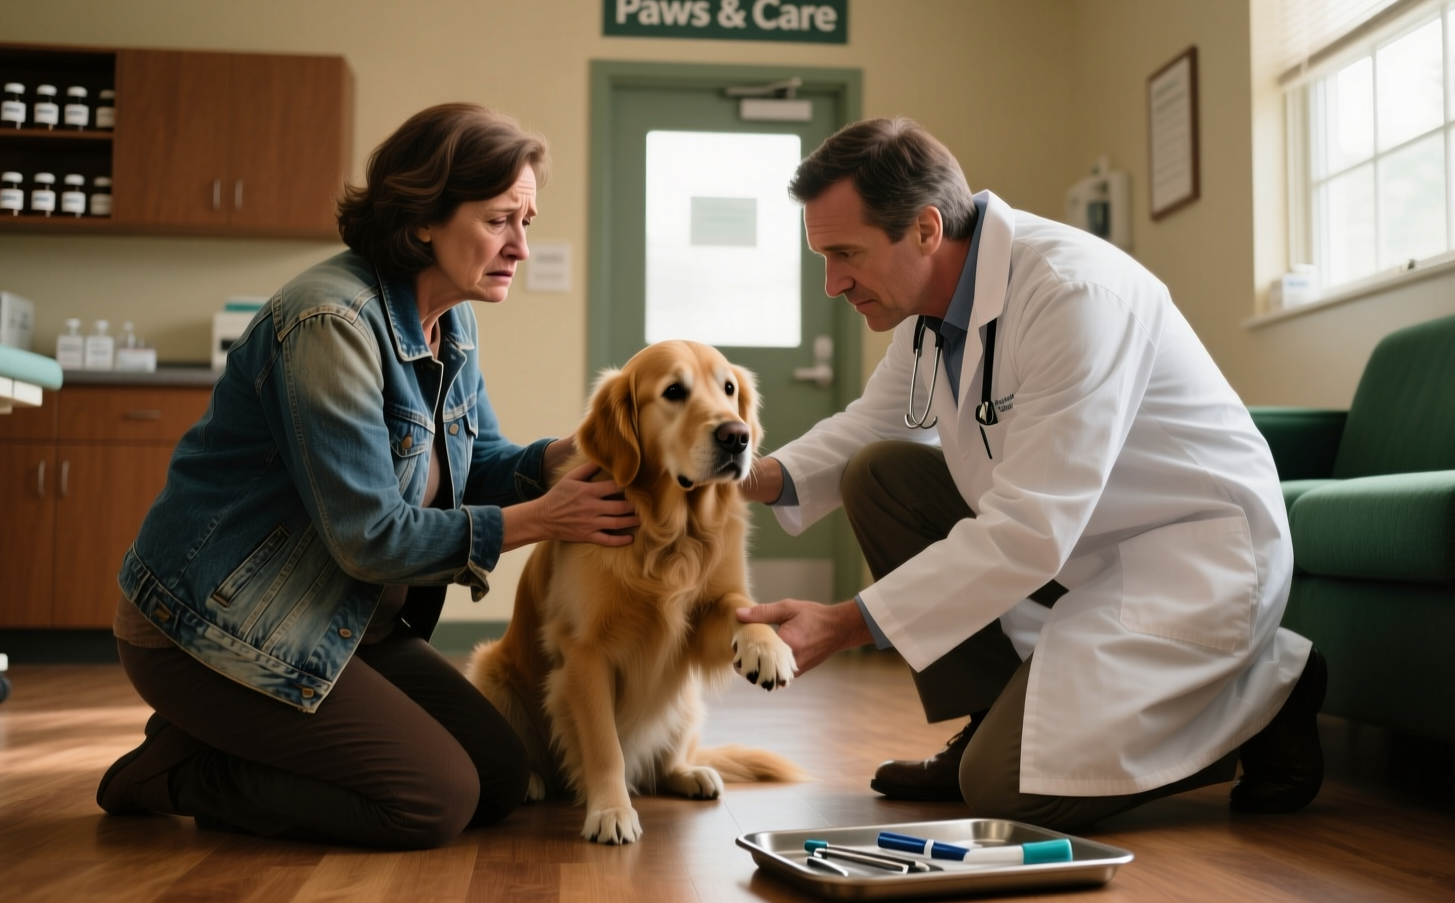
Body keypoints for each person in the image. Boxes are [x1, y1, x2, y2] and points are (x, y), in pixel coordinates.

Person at [736, 117, 1325, 831]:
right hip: (1084, 549)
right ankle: (988, 718)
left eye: (845, 254)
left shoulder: (1074, 294)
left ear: (925, 230)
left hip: (1190, 563)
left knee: (1010, 794)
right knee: (880, 474)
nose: (832, 284)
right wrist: (733, 476)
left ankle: (1264, 700)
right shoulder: (933, 308)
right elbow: (874, 425)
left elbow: (1032, 526)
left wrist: (845, 623)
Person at [95, 104, 640, 849]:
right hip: (214, 629)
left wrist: (553, 462)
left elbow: (473, 464)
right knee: (430, 801)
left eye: (528, 221)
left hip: (341, 621)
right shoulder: (330, 325)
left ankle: (220, 736)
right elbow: (370, 539)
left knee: (501, 777)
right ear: (423, 220)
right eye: (498, 220)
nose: (520, 245)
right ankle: (174, 775)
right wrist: (545, 518)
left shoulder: (450, 317)